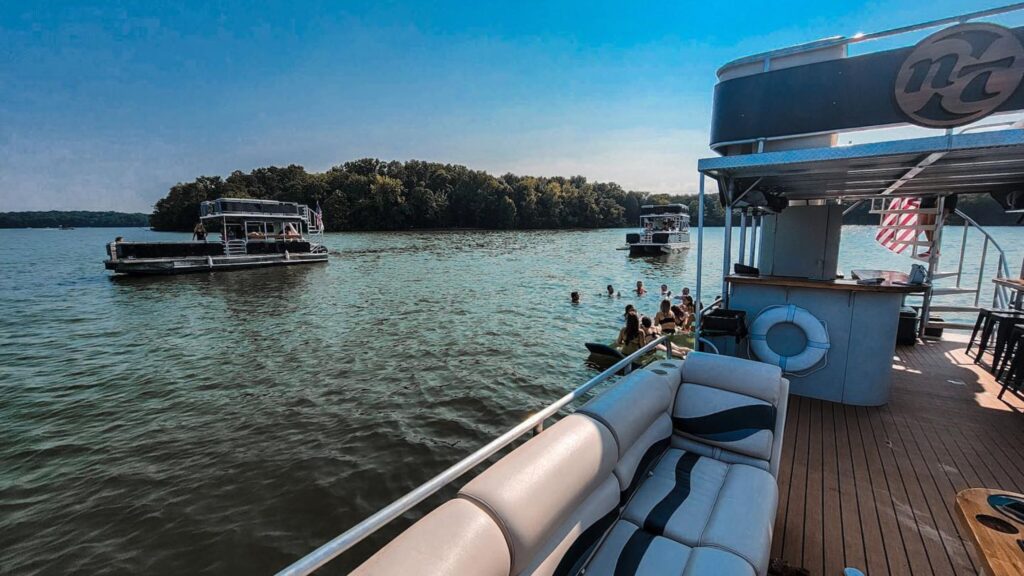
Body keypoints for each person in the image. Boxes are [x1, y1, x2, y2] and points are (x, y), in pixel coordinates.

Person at [918, 194, 958, 259]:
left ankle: (933, 249)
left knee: (933, 222)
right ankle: (933, 248)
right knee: (924, 224)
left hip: (946, 194)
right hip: (929, 194)